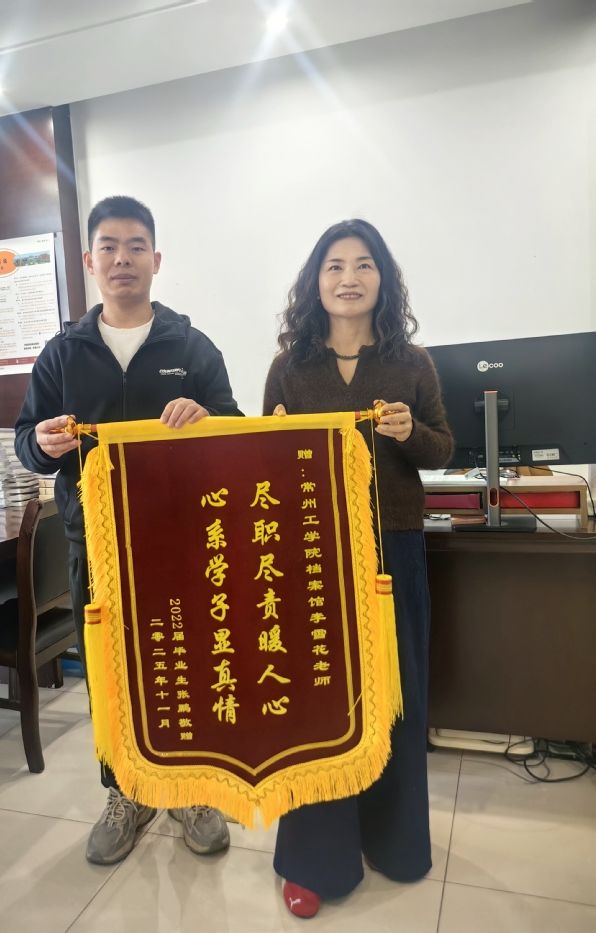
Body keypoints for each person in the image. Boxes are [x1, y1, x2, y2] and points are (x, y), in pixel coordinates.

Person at [15, 195, 242, 865]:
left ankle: (192, 789)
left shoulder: (191, 347)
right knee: (110, 672)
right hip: (98, 545)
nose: (122, 258)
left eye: (136, 246)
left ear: (156, 259)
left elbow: (236, 433)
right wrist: (43, 444)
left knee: (192, 662)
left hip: (183, 543)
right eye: (109, 247)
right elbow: (26, 441)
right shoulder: (62, 355)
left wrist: (206, 418)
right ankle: (125, 792)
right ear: (90, 261)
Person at [262, 219, 453, 918]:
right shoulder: (289, 366)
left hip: (392, 546)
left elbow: (441, 447)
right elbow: (264, 462)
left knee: (397, 697)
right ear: (315, 282)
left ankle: (393, 841)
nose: (348, 277)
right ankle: (316, 859)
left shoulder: (412, 362)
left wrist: (410, 432)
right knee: (316, 704)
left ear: (383, 279)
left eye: (364, 264)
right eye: (334, 265)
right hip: (311, 554)